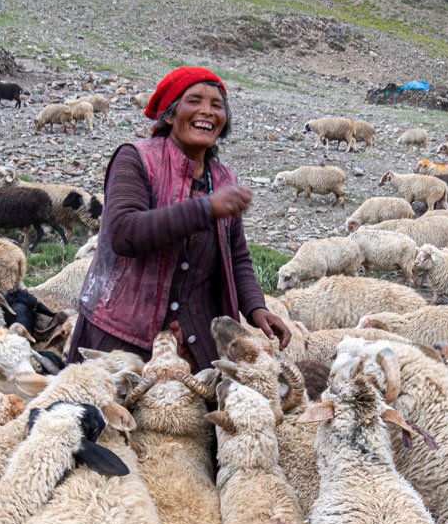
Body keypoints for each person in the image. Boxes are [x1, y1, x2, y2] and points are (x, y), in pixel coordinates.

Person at [66, 66, 291, 370]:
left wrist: (255, 308)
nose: (206, 111)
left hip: (196, 344)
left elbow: (236, 254)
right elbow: (123, 232)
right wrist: (205, 209)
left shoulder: (224, 179)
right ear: (170, 115)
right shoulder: (135, 159)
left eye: (216, 105)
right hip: (123, 343)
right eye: (194, 101)